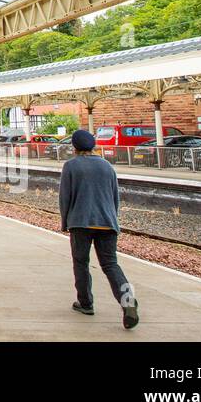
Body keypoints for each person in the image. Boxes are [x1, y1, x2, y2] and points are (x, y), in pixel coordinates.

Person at [59, 129, 139, 329]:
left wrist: (64, 222)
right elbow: (115, 197)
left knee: (81, 263)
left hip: (80, 222)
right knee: (111, 264)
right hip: (107, 222)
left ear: (74, 147)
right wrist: (113, 220)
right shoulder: (107, 166)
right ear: (93, 146)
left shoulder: (71, 166)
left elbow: (65, 198)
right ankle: (127, 300)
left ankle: (85, 303)